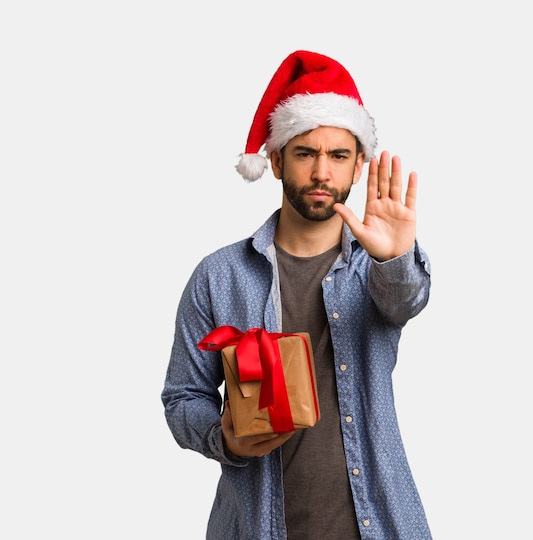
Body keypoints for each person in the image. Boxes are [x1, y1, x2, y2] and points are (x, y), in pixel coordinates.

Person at [161, 50, 432, 540]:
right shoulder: (219, 276)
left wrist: (394, 260)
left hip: (377, 524)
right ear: (277, 160)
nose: (322, 174)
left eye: (338, 156)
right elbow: (182, 397)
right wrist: (224, 437)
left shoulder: (377, 265)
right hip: (255, 526)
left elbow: (405, 301)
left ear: (358, 166)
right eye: (306, 153)